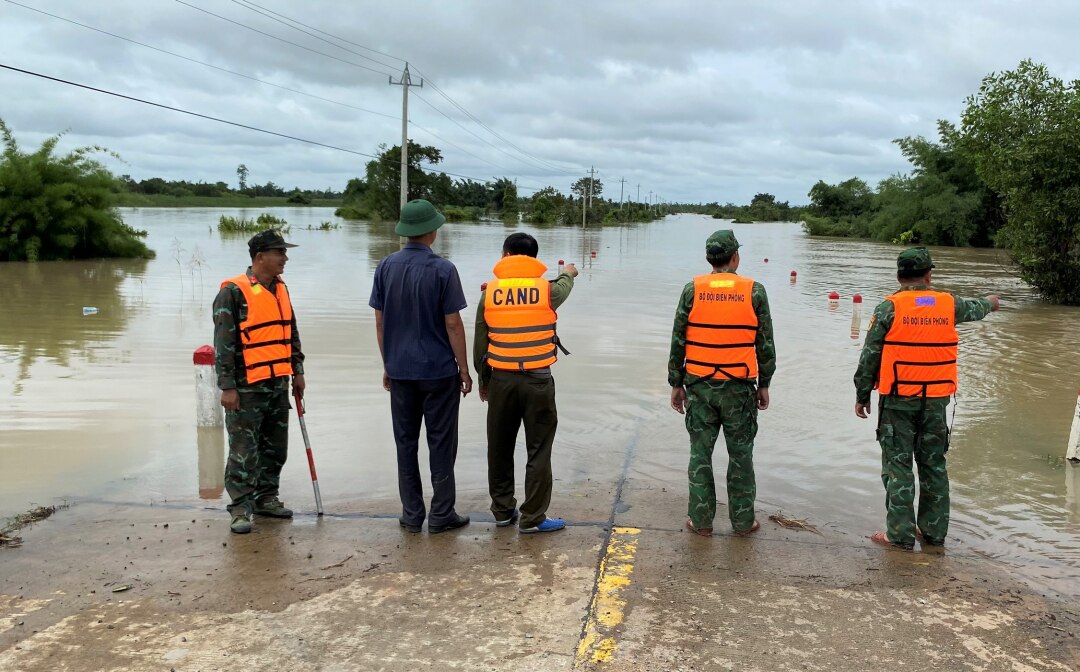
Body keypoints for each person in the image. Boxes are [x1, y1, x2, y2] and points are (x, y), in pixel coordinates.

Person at [854, 247, 999, 550]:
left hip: (898, 401)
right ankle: (933, 533)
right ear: (929, 275)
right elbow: (977, 307)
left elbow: (870, 356)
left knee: (899, 466)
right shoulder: (949, 304)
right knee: (934, 465)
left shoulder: (887, 308)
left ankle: (899, 534)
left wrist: (862, 394)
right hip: (935, 401)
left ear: (898, 275)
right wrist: (991, 302)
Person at [370, 199, 473, 534]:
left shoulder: (385, 266)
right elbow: (453, 325)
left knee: (405, 442)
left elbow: (380, 322)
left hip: (400, 371)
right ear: (432, 231)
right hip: (439, 372)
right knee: (441, 443)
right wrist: (465, 369)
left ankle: (412, 514)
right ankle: (442, 514)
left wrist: (388, 364)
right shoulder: (444, 270)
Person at [669, 230, 775, 537]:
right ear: (735, 257)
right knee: (741, 455)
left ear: (708, 258)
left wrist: (676, 383)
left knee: (699, 454)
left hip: (700, 385)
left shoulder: (692, 290)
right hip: (740, 387)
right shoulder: (755, 291)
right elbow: (765, 344)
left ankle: (701, 522)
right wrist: (765, 383)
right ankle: (743, 523)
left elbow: (678, 341)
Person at [474, 233, 578, 534]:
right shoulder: (547, 291)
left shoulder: (489, 292)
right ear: (534, 259)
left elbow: (481, 340)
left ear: (505, 255)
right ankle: (533, 518)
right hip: (538, 381)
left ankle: (503, 512)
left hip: (501, 379)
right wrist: (567, 272)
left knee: (499, 447)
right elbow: (564, 284)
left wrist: (484, 380)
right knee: (539, 449)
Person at [213, 229, 306, 535]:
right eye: (280, 252)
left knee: (275, 447)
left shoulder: (281, 288)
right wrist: (227, 386)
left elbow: (290, 331)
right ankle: (240, 508)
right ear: (260, 257)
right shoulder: (233, 293)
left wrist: (298, 370)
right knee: (243, 450)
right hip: (245, 387)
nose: (285, 258)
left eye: (284, 252)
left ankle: (267, 498)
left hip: (277, 383)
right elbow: (223, 343)